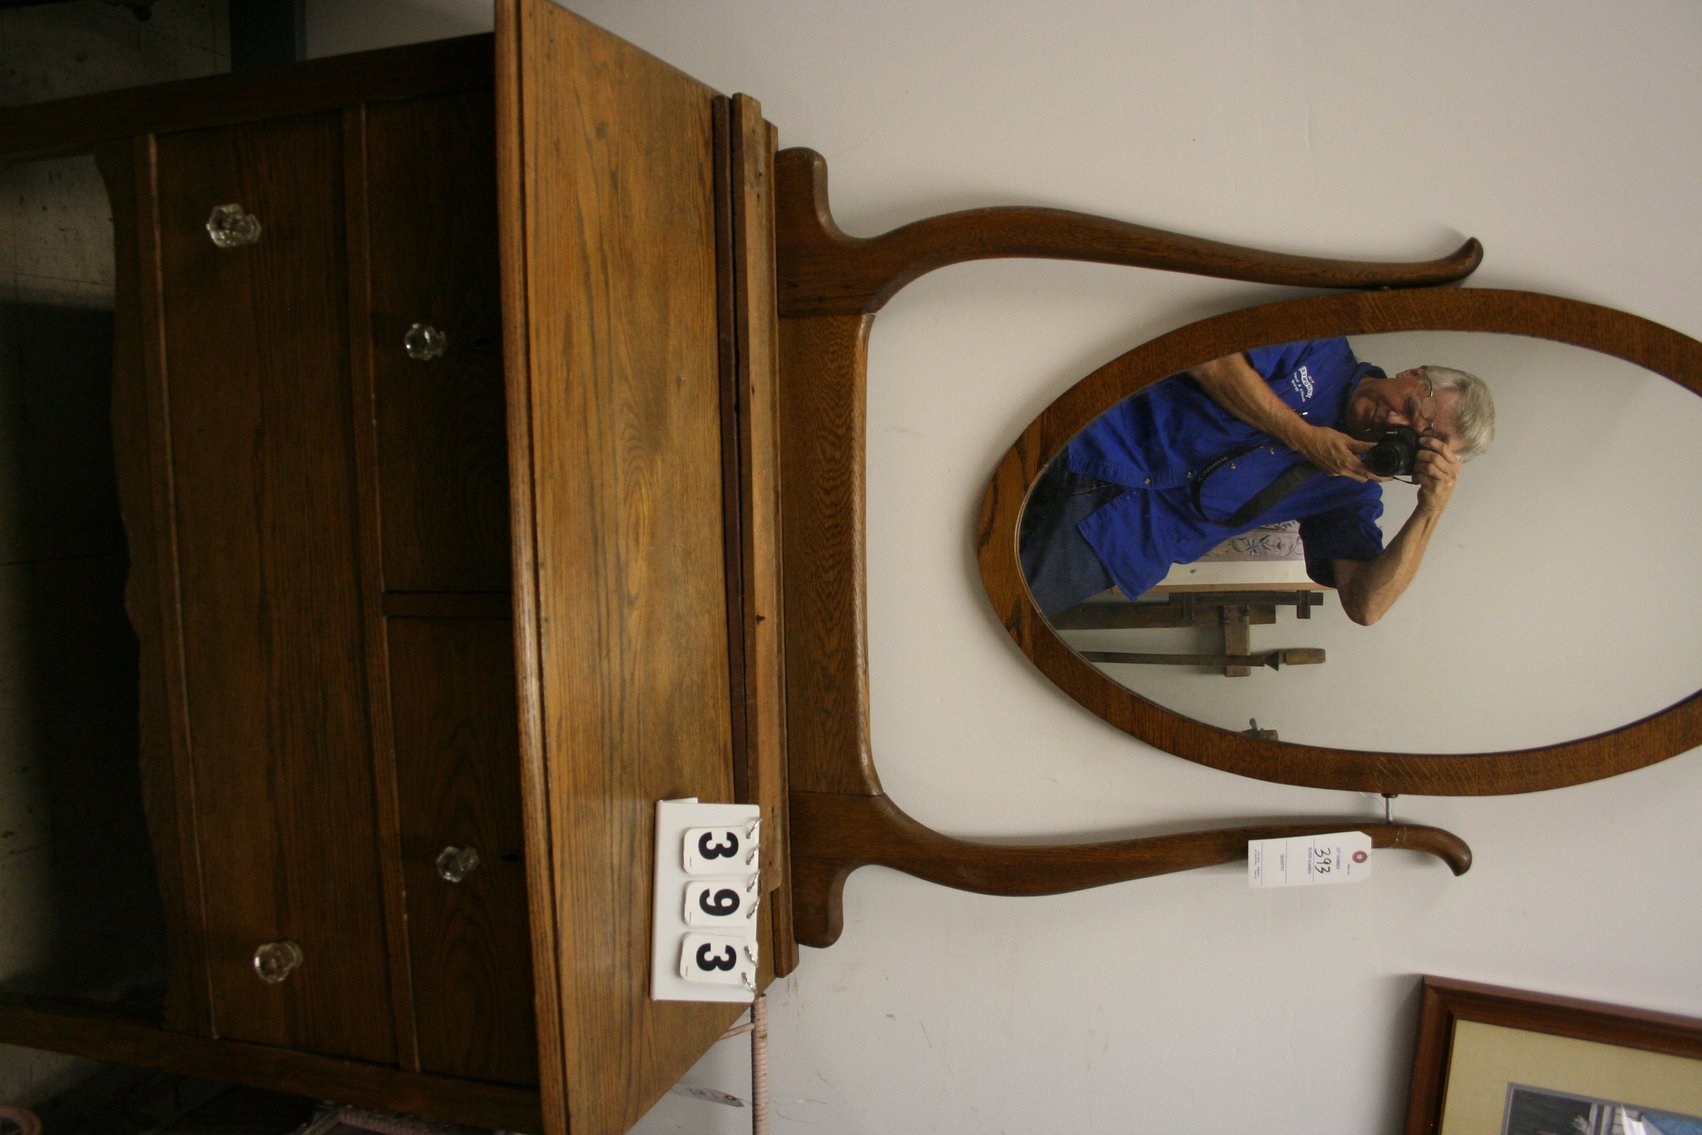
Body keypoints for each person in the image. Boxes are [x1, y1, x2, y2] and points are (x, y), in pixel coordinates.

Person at [1020, 337, 1494, 624]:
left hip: (1122, 541)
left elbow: (1365, 605)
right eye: (1410, 406)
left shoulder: (1352, 490)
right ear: (1414, 374)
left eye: (1407, 436)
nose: (1391, 418)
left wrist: (1429, 511)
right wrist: (1305, 438)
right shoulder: (1321, 344)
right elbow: (1210, 357)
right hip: (1096, 437)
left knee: (987, 609)